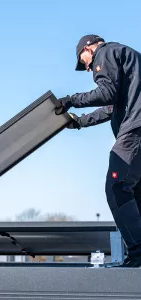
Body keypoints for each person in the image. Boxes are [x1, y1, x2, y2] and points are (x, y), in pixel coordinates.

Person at [55, 34, 141, 267]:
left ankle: (139, 254)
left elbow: (106, 93)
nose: (87, 67)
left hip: (135, 132)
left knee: (117, 187)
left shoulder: (106, 52)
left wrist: (71, 100)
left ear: (88, 48)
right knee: (135, 194)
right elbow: (111, 107)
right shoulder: (129, 60)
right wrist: (80, 122)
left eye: (83, 61)